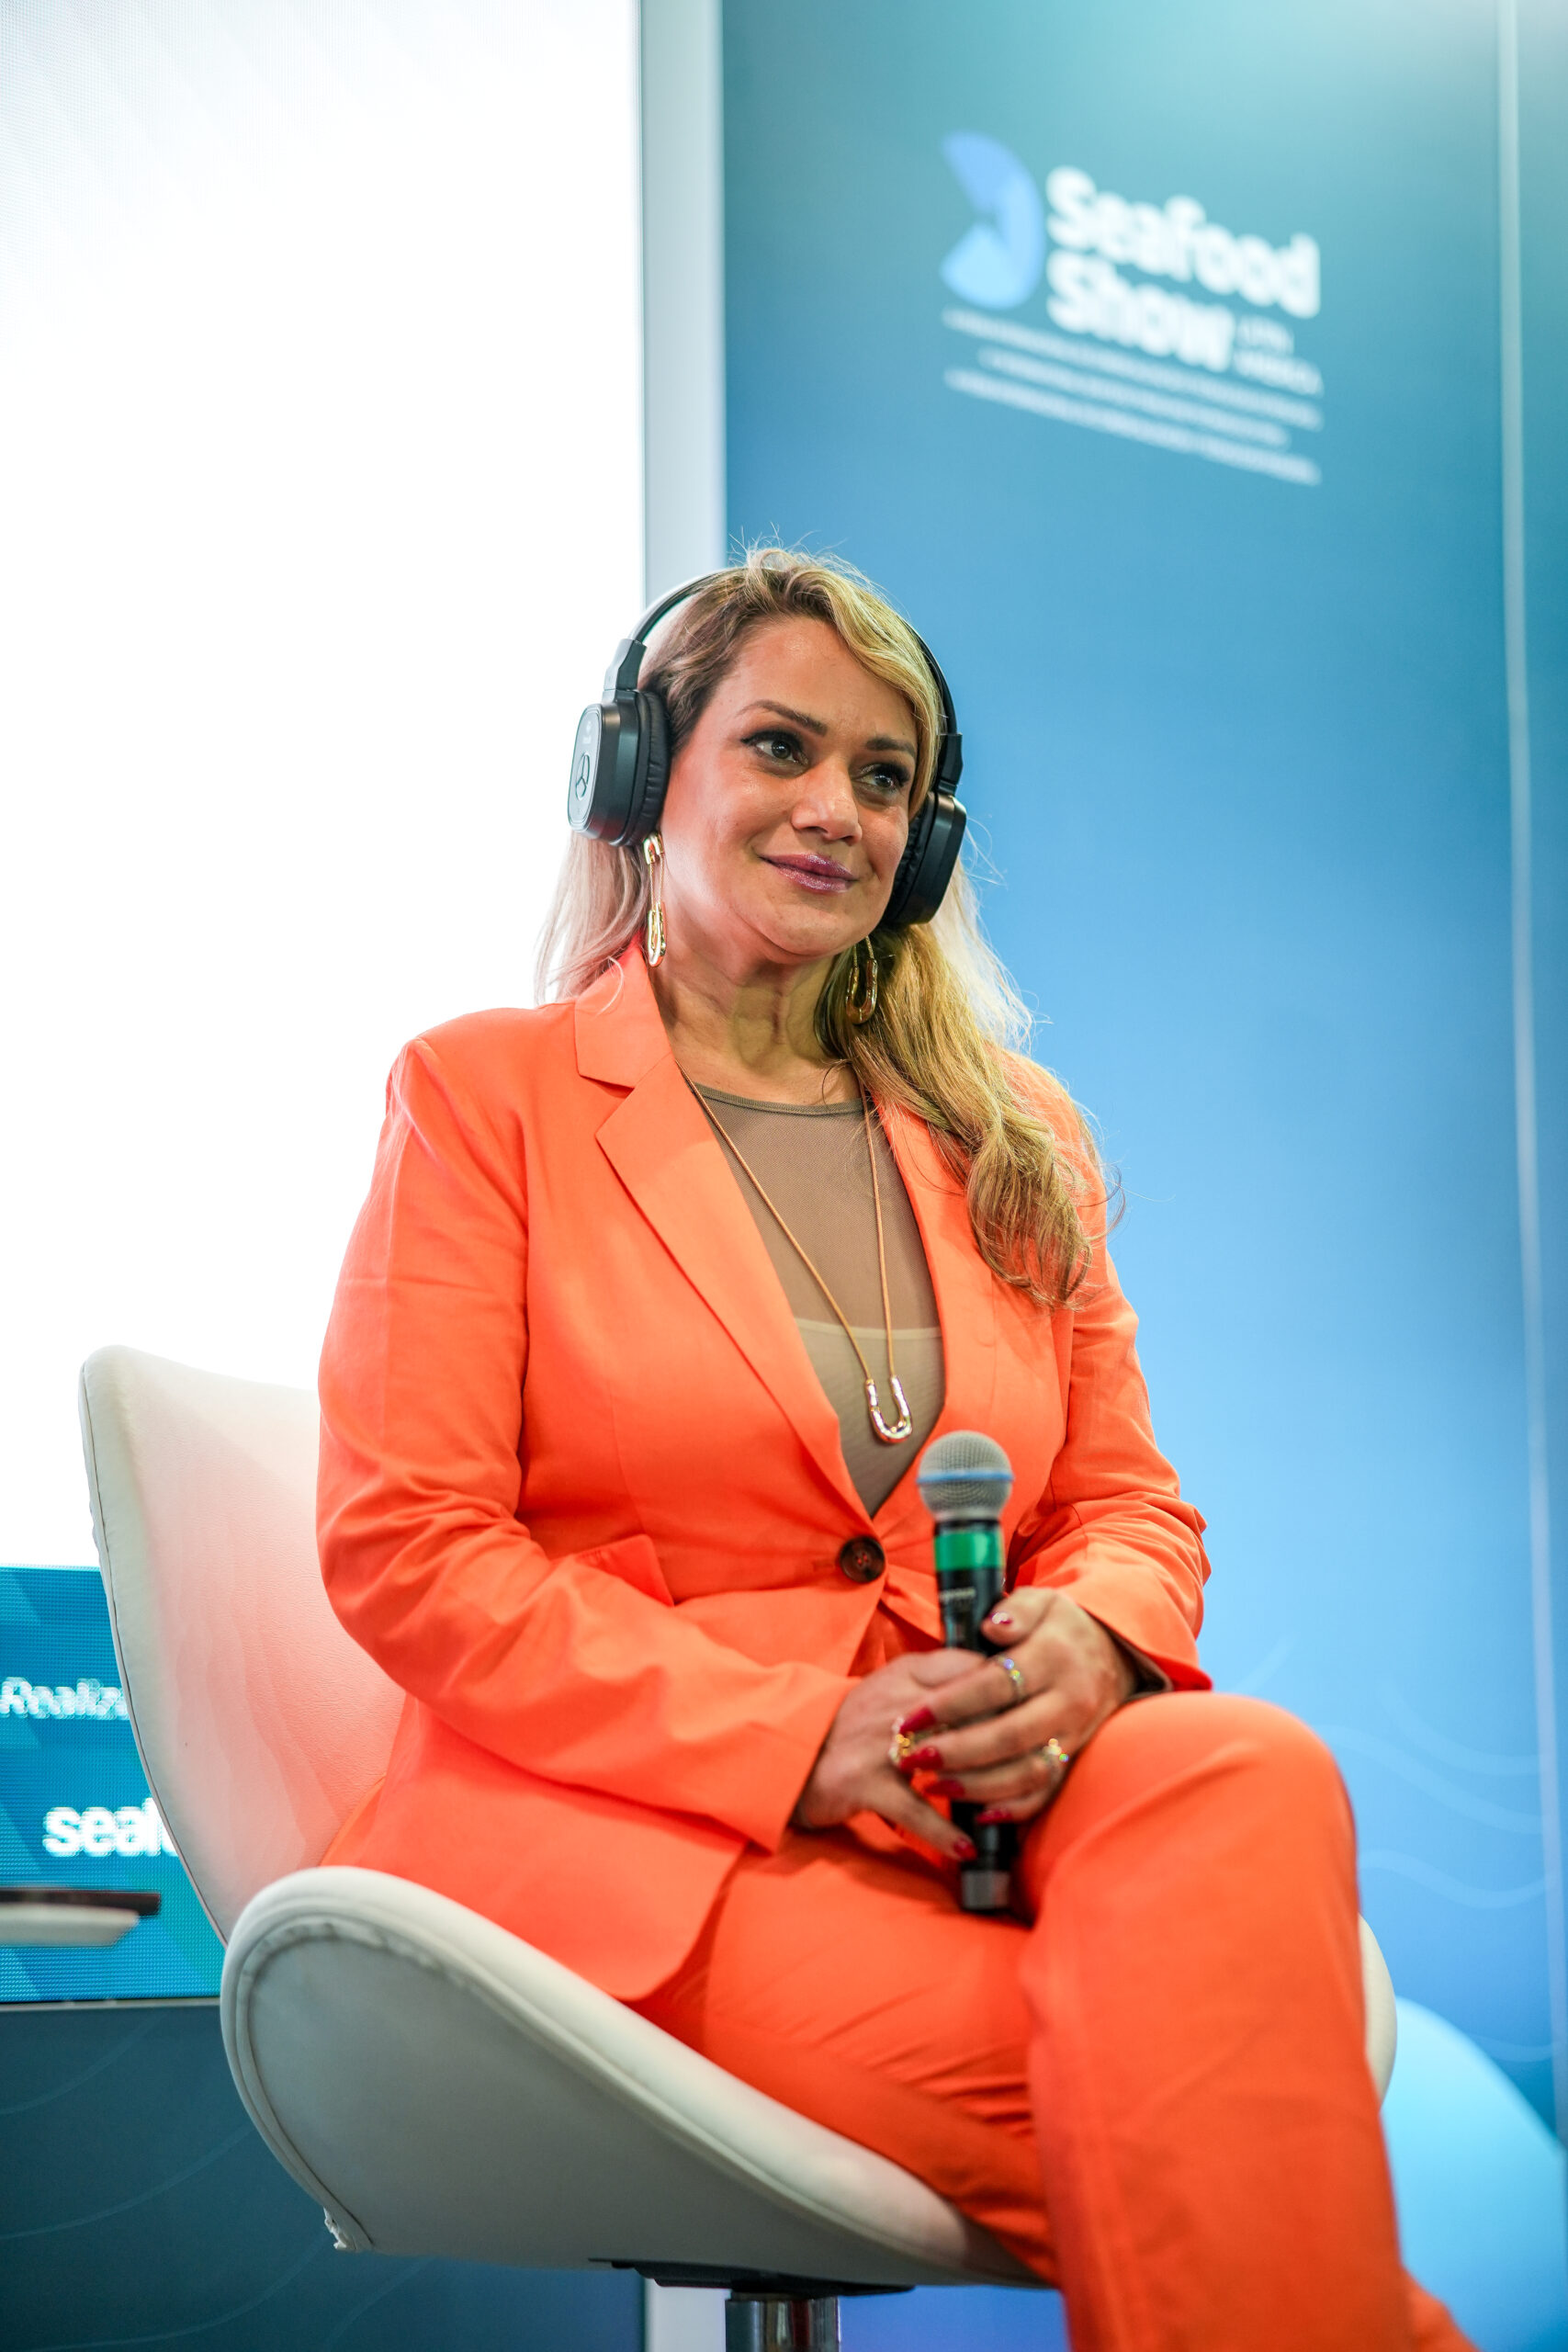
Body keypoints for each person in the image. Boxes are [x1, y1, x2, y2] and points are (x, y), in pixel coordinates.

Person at [317, 549, 1472, 2352]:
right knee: (1206, 2117)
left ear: (923, 844)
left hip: (981, 1809)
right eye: (780, 746)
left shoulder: (1016, 1136)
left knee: (1243, 1760)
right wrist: (801, 1734)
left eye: (883, 777)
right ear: (641, 775)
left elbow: (1126, 1504)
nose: (834, 811)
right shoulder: (487, 1094)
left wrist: (1094, 1636)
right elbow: (412, 1547)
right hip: (656, 1846)